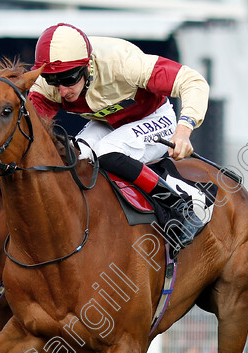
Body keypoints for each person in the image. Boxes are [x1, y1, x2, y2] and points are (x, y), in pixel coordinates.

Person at [29, 23, 210, 245]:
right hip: (108, 123)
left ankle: (180, 208)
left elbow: (192, 81)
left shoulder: (123, 63)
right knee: (78, 156)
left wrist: (184, 130)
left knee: (107, 151)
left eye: (69, 79)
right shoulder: (49, 84)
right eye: (53, 81)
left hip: (154, 118)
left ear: (87, 67)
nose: (62, 91)